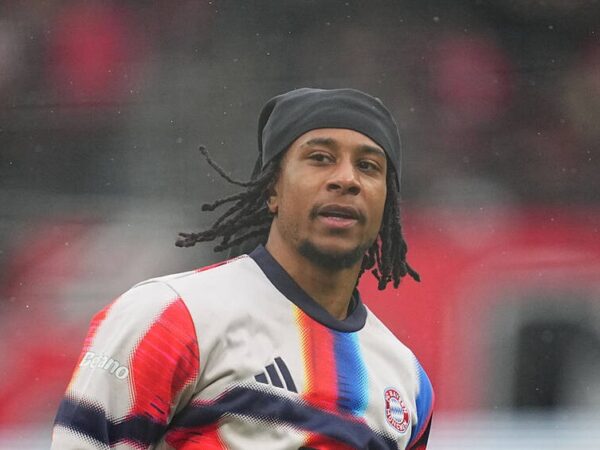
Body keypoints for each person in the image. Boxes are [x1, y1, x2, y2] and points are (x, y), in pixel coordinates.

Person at [51, 88, 434, 449]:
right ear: (272, 189)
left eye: (368, 166)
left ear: (387, 202)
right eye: (320, 158)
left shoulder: (408, 383)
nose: (347, 179)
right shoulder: (170, 316)